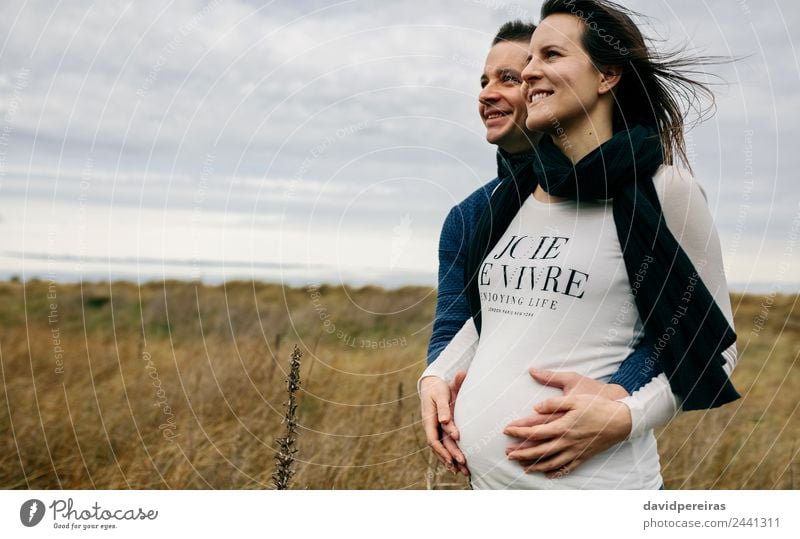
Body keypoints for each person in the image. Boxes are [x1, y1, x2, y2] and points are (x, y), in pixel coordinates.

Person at [420, 0, 739, 489]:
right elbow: (495, 319)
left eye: (550, 55)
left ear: (607, 75)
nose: (530, 72)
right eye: (529, 61)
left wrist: (625, 415)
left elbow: (711, 344)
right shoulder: (516, 198)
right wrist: (437, 376)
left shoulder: (664, 191)